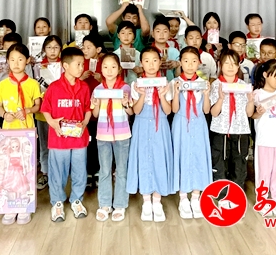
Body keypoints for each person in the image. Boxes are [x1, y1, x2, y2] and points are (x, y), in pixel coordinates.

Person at [41, 47, 92, 222]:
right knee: (57, 172)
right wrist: (52, 123)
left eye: (83, 64)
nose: (81, 68)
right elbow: (45, 109)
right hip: (59, 138)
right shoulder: (54, 87)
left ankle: (77, 199)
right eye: (78, 64)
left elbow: (88, 109)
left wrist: (85, 123)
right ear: (65, 66)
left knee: (79, 170)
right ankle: (57, 202)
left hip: (79, 138)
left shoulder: (84, 87)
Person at [0, 43, 42, 225]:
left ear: (27, 61)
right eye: (12, 59)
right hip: (8, 133)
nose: (16, 63)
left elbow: (37, 106)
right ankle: (9, 207)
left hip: (26, 132)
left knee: (26, 169)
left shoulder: (33, 84)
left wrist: (28, 110)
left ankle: (23, 206)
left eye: (20, 59)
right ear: (7, 61)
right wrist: (4, 114)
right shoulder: (3, 84)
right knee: (8, 170)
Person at [126, 47, 173, 222]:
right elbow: (136, 111)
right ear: (141, 63)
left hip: (160, 125)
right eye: (146, 61)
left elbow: (168, 111)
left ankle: (157, 201)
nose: (151, 64)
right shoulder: (136, 84)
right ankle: (146, 201)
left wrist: (162, 96)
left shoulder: (166, 84)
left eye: (154, 60)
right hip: (142, 125)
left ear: (160, 62)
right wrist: (141, 95)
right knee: (144, 159)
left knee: (159, 159)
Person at [171, 46, 212, 219]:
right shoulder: (175, 82)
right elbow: (174, 109)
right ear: (180, 62)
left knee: (198, 157)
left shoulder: (203, 83)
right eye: (186, 61)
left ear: (199, 63)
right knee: (182, 157)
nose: (189, 65)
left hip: (199, 123)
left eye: (194, 61)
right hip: (181, 123)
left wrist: (207, 94)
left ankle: (196, 197)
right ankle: (183, 198)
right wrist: (175, 93)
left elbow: (206, 110)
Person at [91, 54, 134, 222]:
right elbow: (95, 114)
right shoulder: (98, 89)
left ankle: (120, 204)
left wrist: (125, 103)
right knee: (105, 170)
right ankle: (104, 204)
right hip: (103, 134)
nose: (109, 71)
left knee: (122, 170)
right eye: (105, 67)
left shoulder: (125, 88)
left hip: (122, 134)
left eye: (113, 67)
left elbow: (130, 112)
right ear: (101, 69)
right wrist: (96, 103)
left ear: (119, 69)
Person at [252, 60, 276, 217]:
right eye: (275, 77)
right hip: (264, 139)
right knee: (264, 170)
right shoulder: (257, 94)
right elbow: (253, 116)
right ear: (265, 75)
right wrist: (259, 112)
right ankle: (262, 199)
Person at [209, 50, 255, 189]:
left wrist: (251, 100)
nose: (230, 67)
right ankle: (222, 193)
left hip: (240, 131)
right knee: (220, 162)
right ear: (220, 65)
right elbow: (214, 113)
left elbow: (249, 113)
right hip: (220, 130)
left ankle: (236, 194)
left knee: (239, 164)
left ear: (238, 66)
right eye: (227, 63)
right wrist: (221, 99)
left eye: (234, 63)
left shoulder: (243, 85)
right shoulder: (215, 85)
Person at [34, 35, 63, 191]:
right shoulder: (38, 67)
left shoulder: (64, 66)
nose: (52, 51)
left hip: (61, 111)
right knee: (44, 144)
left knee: (60, 143)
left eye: (56, 47)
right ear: (44, 50)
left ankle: (59, 173)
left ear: (61, 49)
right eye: (49, 47)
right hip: (43, 111)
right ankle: (45, 173)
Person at [80, 34, 104, 188]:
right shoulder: (80, 63)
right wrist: (81, 77)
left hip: (101, 109)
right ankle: (88, 172)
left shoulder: (105, 63)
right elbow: (72, 82)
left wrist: (101, 79)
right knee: (87, 142)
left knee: (99, 141)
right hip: (84, 109)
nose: (85, 50)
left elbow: (113, 82)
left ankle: (98, 170)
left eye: (89, 47)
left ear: (98, 49)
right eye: (84, 47)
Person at [150, 16, 181, 81]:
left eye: (165, 31)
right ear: (153, 34)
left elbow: (178, 77)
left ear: (169, 33)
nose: (161, 34)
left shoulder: (175, 52)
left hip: (171, 84)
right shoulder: (147, 52)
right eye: (158, 31)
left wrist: (177, 65)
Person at [113, 21, 143, 85]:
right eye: (123, 33)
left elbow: (142, 75)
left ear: (134, 36)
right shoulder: (114, 55)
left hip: (135, 85)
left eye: (129, 33)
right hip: (118, 86)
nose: (126, 36)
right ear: (118, 35)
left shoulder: (139, 54)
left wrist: (141, 70)